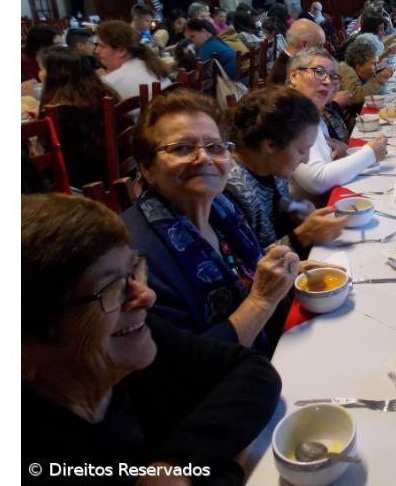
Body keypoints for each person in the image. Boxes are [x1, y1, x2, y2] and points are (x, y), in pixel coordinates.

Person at [22, 194, 281, 484]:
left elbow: (253, 371)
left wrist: (177, 463)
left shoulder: (134, 338)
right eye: (110, 287)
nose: (146, 296)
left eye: (134, 271)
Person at [121, 90, 335, 351]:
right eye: (182, 148)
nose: (204, 158)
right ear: (147, 168)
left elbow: (246, 270)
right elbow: (186, 364)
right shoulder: (137, 259)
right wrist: (261, 300)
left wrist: (285, 271)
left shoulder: (220, 209)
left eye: (214, 147)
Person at [227, 86, 349, 258]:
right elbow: (248, 271)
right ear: (270, 145)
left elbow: (276, 209)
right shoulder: (233, 190)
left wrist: (294, 213)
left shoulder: (273, 167)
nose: (306, 159)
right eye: (301, 150)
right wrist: (303, 235)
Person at [286, 48, 388, 201]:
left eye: (333, 76)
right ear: (294, 76)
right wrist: (370, 153)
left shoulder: (310, 111)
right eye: (319, 71)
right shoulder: (289, 113)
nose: (328, 82)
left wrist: (342, 149)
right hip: (308, 216)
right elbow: (317, 180)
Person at [37, 46, 119, 188]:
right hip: (111, 175)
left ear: (54, 75)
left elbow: (53, 165)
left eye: (42, 69)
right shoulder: (102, 95)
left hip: (81, 186)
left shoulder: (59, 114)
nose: (39, 74)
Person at [94, 20, 171, 108]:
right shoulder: (147, 64)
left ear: (122, 51)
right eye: (96, 45)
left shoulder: (109, 83)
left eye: (102, 46)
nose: (96, 51)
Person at [266, 19, 326, 86]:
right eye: (319, 46)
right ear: (304, 45)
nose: (323, 50)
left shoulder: (289, 61)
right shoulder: (288, 70)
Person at [338, 33, 391, 108]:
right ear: (358, 65)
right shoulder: (345, 70)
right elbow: (355, 96)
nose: (376, 68)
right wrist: (379, 80)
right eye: (373, 64)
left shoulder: (354, 70)